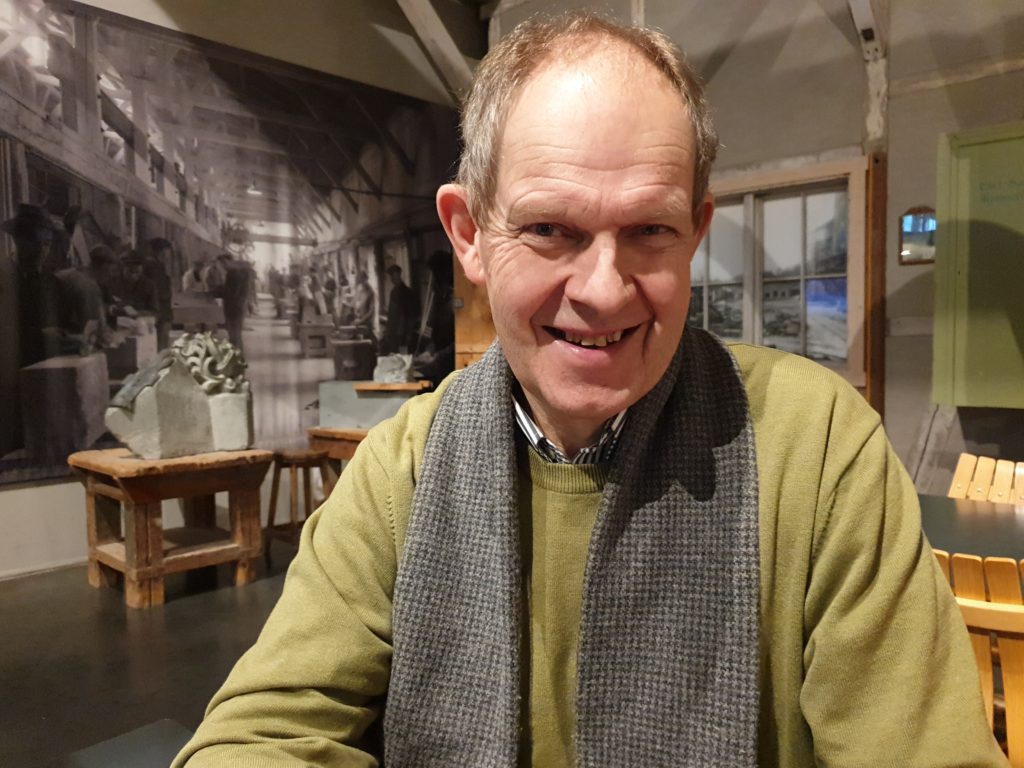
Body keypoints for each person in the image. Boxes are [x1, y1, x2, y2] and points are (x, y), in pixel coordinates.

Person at [173, 13, 1003, 768]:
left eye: (649, 230)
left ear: (695, 235)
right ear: (469, 234)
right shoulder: (405, 474)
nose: (603, 291)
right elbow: (258, 736)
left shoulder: (817, 451)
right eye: (549, 230)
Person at [379, 264, 417, 354]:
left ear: (398, 275)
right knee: (394, 355)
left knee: (403, 355)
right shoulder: (393, 292)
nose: (392, 279)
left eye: (393, 276)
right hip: (393, 332)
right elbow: (391, 313)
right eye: (391, 277)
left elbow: (411, 315)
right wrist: (388, 331)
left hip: (403, 333)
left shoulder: (408, 293)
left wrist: (409, 333)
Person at [144, 238, 174, 349]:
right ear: (161, 251)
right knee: (161, 344)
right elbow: (160, 290)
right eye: (168, 250)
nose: (169, 254)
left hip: (158, 309)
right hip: (160, 310)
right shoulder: (154, 265)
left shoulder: (154, 264)